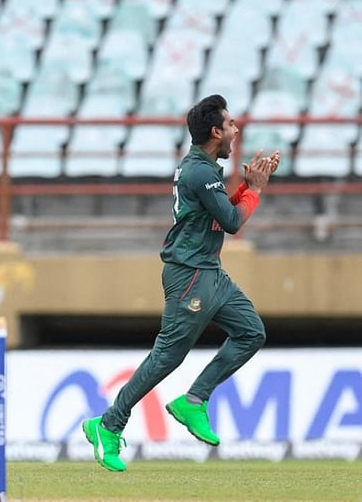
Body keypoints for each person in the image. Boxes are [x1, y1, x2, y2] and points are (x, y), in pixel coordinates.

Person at [82, 94, 280, 472]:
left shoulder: (204, 169)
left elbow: (220, 214)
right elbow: (234, 222)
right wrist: (254, 189)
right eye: (231, 125)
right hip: (190, 274)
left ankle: (194, 400)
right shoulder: (200, 172)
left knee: (251, 332)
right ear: (215, 131)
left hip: (209, 271)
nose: (236, 131)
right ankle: (108, 424)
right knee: (168, 356)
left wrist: (250, 186)